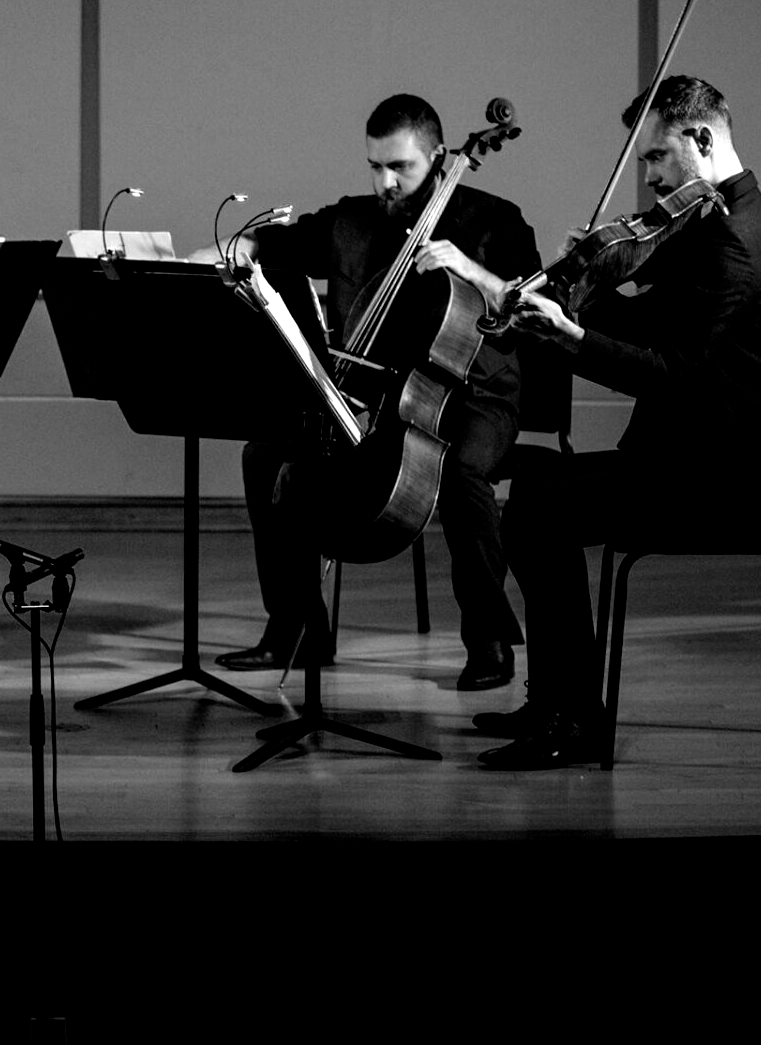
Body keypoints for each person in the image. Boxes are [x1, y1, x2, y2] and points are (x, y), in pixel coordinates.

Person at [477, 75, 761, 768]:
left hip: (719, 476)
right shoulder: (719, 221)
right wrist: (587, 295)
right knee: (534, 498)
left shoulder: (733, 241)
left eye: (656, 157)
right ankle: (557, 702)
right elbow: (658, 322)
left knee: (541, 513)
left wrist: (568, 337)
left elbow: (671, 372)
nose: (647, 178)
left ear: (702, 139)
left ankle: (574, 721)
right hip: (696, 452)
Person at [200, 94, 540, 689]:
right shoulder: (352, 220)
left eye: (400, 167)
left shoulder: (496, 221)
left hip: (472, 396)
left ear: (438, 157)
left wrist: (469, 269)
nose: (384, 181)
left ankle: (487, 637)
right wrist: (232, 251)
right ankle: (298, 629)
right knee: (264, 455)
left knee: (460, 470)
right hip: (371, 392)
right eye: (374, 166)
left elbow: (531, 309)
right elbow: (278, 244)